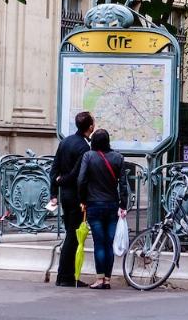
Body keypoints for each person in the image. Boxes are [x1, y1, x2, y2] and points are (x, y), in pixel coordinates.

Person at [77, 128, 128, 290]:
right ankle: (107, 279)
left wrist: (83, 199)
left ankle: (99, 279)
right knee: (109, 244)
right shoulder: (118, 157)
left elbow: (81, 180)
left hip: (93, 205)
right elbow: (124, 184)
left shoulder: (88, 156)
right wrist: (123, 205)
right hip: (112, 205)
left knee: (99, 243)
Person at [50, 111, 94, 288]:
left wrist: (54, 191)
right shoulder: (84, 148)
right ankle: (66, 276)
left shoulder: (66, 141)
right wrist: (62, 182)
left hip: (65, 196)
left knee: (71, 233)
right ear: (90, 126)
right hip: (76, 196)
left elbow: (54, 168)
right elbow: (78, 174)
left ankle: (64, 276)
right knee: (73, 236)